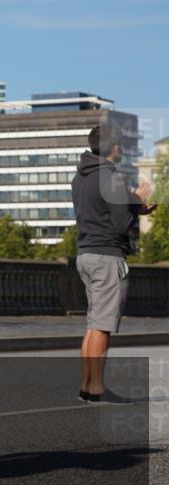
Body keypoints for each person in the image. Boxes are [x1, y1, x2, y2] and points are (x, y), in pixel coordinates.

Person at [72, 124, 156, 405]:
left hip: (86, 252)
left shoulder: (81, 177)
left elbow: (100, 209)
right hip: (108, 256)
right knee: (102, 325)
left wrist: (131, 203)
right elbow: (120, 224)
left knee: (93, 324)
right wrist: (137, 204)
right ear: (113, 147)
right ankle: (96, 388)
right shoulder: (112, 177)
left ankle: (86, 385)